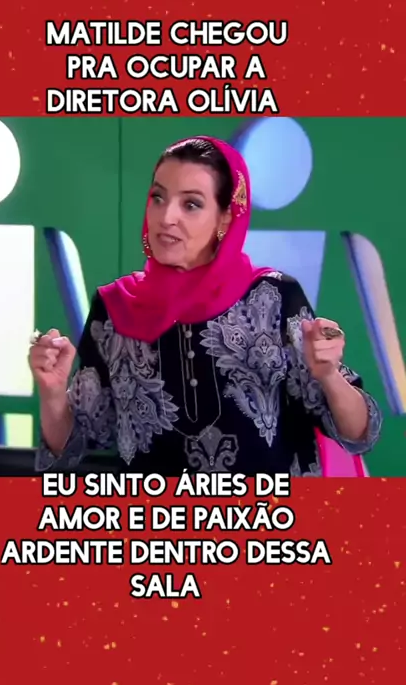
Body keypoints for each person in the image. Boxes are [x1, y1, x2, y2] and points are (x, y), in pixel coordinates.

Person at [29, 136, 382, 476]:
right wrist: (53, 392)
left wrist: (329, 376)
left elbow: (358, 432)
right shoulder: (115, 307)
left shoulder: (273, 298)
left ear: (226, 218)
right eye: (158, 197)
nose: (166, 216)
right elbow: (73, 447)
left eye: (191, 204)